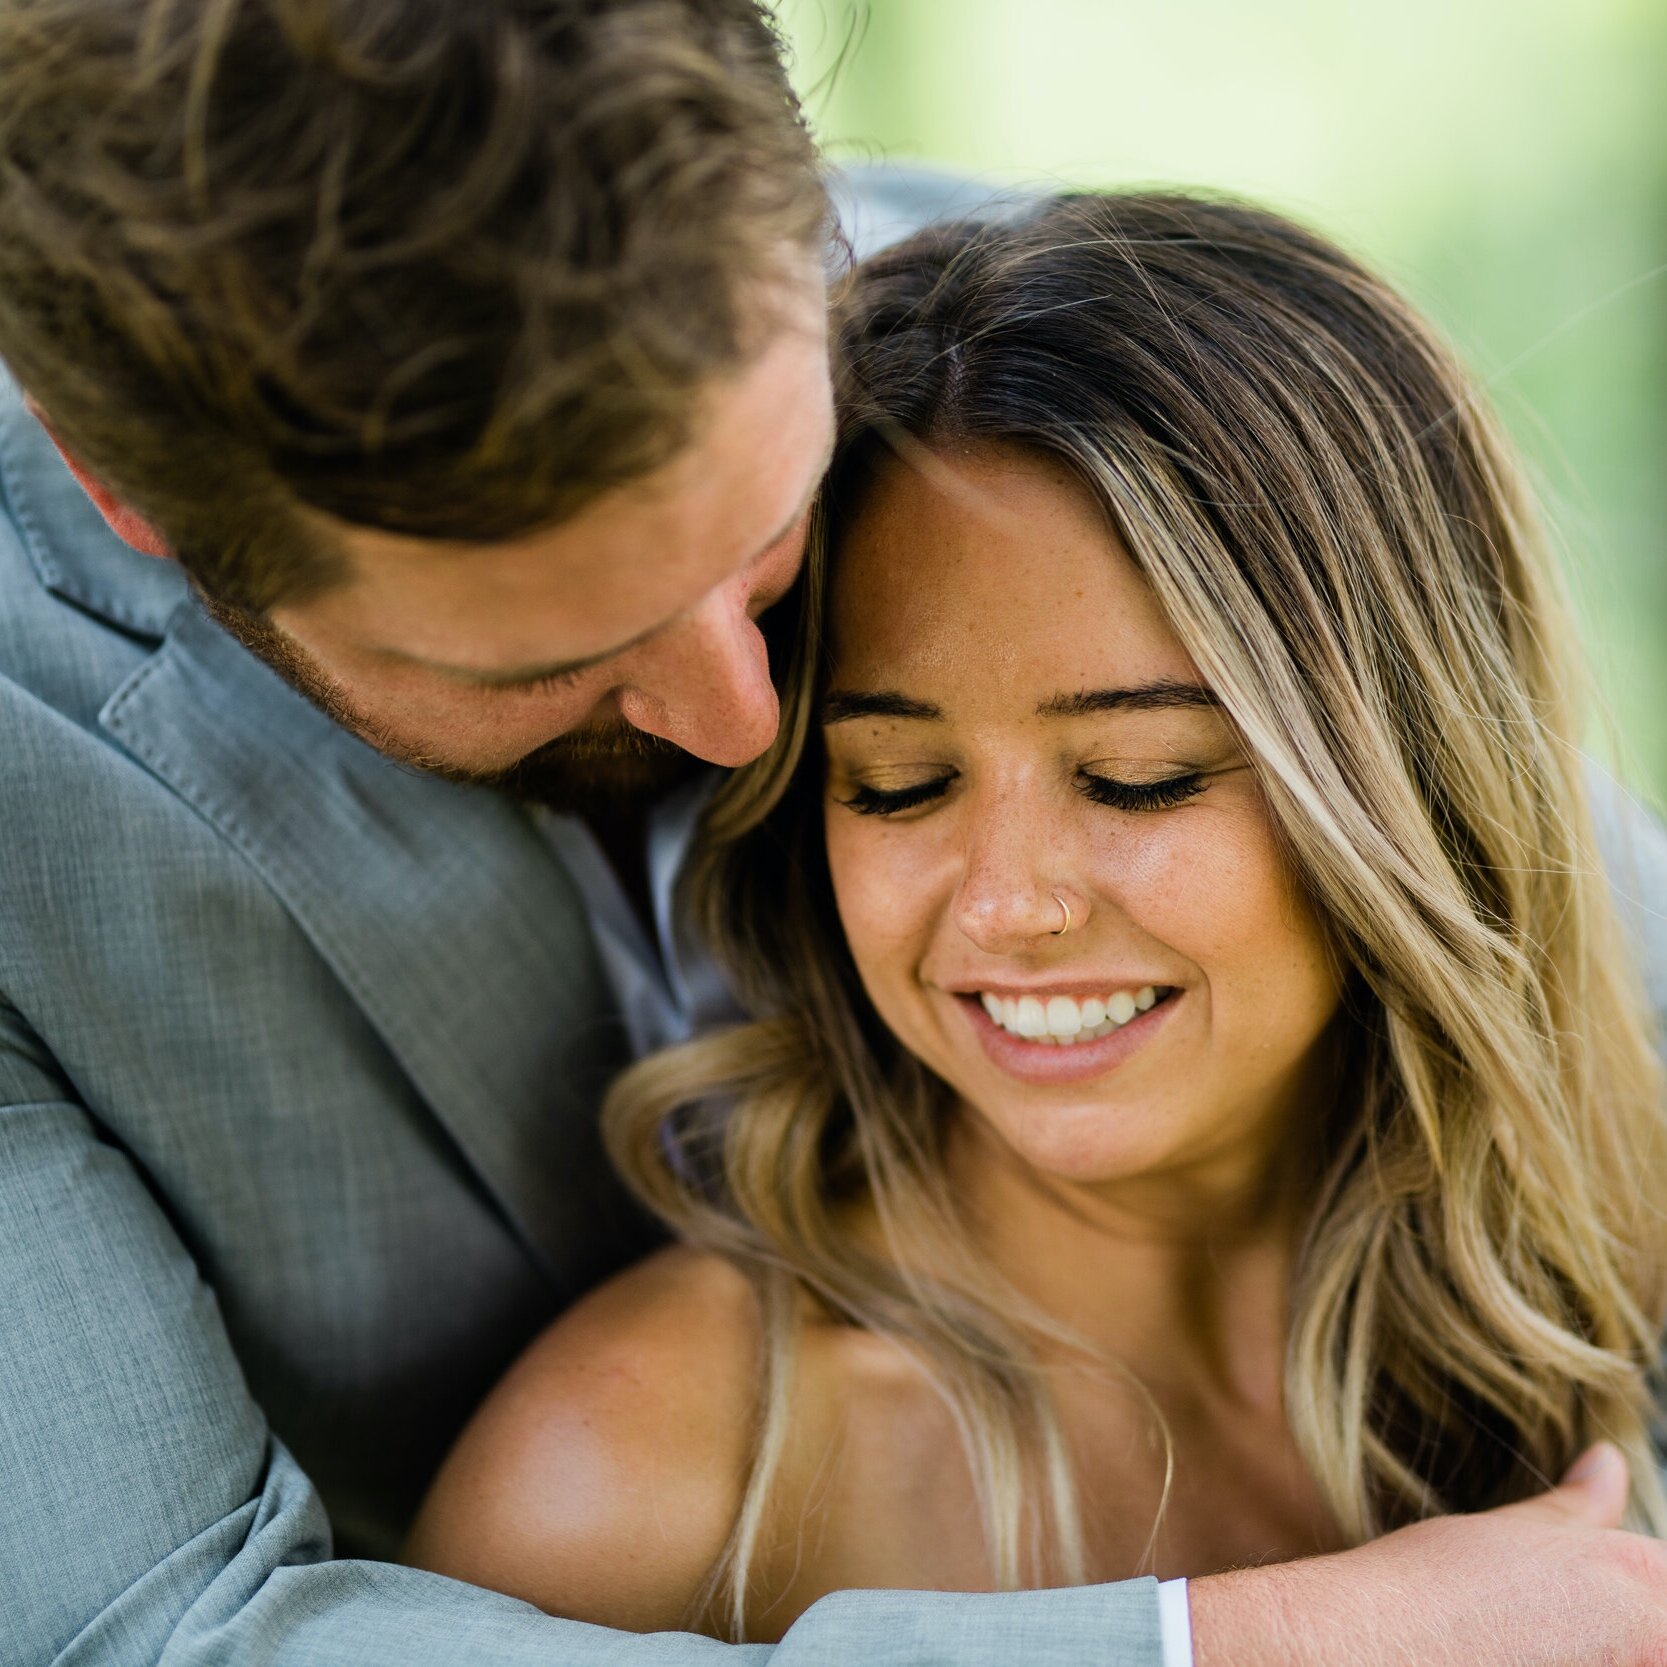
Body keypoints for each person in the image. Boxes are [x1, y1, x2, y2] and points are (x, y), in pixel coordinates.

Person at [0, 3, 1665, 1665]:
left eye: (766, 542)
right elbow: (161, 1632)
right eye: (547, 656)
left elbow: (1518, 897)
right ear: (127, 495)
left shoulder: (985, 348)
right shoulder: (636, 1477)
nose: (744, 725)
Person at [405, 192, 1667, 1661]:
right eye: (901, 785)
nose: (1006, 904)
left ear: (1406, 790)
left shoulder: (1609, 1281)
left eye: (1140, 780)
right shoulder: (651, 1477)